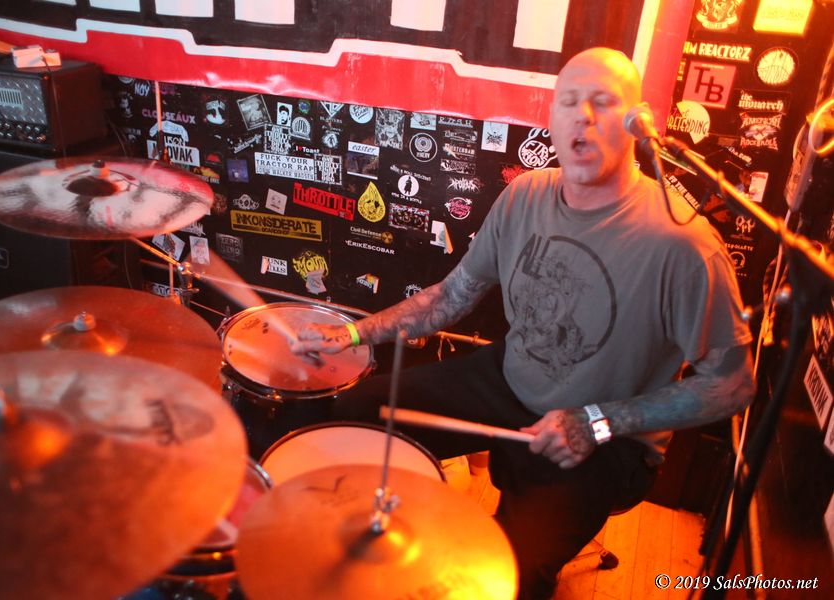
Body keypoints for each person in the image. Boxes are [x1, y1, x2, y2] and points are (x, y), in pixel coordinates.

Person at [291, 47, 755, 599]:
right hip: (509, 380)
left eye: (603, 102)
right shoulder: (525, 195)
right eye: (569, 102)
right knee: (354, 414)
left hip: (608, 437)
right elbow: (452, 296)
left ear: (638, 122)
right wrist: (352, 333)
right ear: (551, 117)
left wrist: (597, 422)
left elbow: (733, 384)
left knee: (513, 577)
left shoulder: (683, 245)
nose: (583, 117)